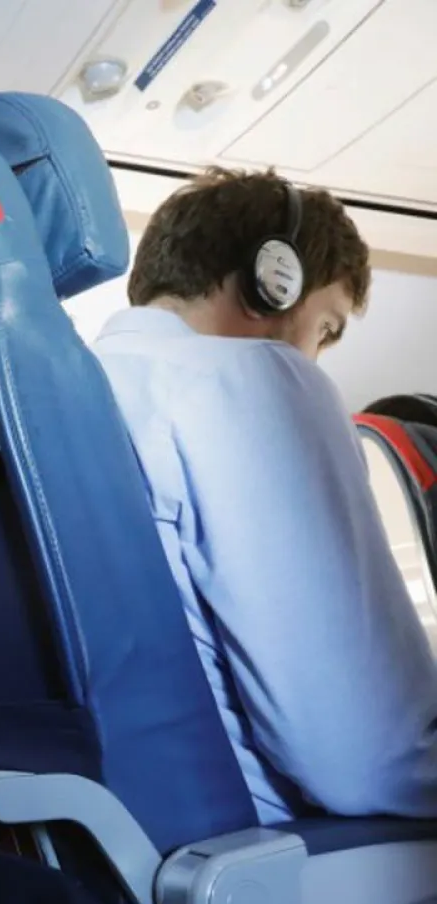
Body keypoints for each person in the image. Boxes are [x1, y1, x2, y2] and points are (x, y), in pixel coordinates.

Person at [91, 167, 437, 824]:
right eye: (325, 328)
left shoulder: (73, 386)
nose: (316, 359)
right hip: (271, 851)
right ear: (274, 281)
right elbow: (366, 761)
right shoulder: (252, 385)